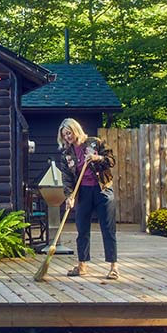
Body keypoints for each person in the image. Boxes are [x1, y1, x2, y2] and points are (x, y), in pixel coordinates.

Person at [56, 118, 118, 279]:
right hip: (83, 192)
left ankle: (113, 267)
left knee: (107, 228)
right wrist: (69, 196)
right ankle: (82, 265)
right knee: (82, 228)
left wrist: (98, 159)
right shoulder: (66, 155)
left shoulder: (94, 143)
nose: (67, 137)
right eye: (64, 135)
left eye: (69, 133)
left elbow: (111, 161)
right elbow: (67, 178)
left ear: (76, 130)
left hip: (102, 190)